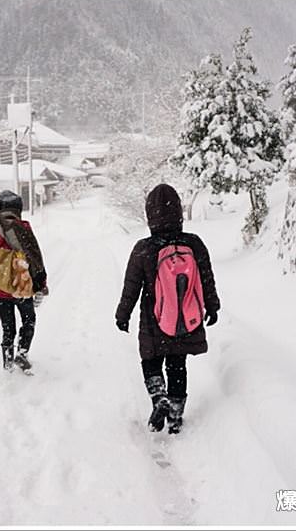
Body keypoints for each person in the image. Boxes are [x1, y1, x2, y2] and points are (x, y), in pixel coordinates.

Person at [115, 184, 220, 434]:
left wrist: (123, 315)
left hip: (154, 320)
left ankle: (158, 396)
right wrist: (213, 307)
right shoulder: (193, 244)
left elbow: (131, 287)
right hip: (186, 318)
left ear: (150, 214)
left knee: (150, 361)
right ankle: (175, 416)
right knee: (177, 365)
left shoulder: (143, 248)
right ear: (179, 212)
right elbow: (206, 279)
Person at [0, 190, 48, 372]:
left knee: (8, 326)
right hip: (20, 286)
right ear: (18, 209)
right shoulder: (23, 227)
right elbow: (35, 258)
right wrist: (40, 286)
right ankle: (22, 354)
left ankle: (7, 365)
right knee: (28, 320)